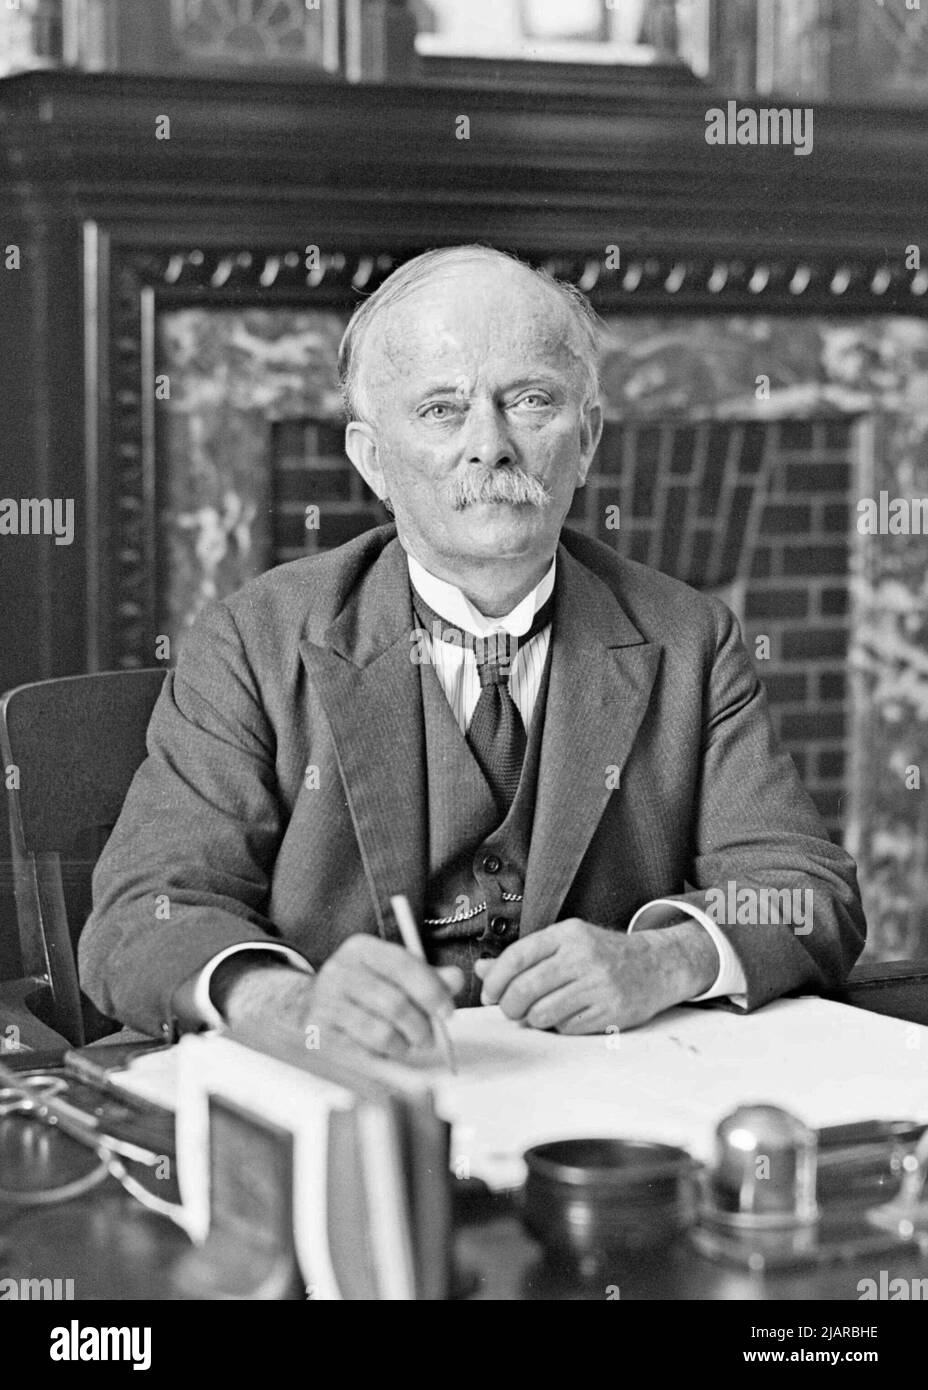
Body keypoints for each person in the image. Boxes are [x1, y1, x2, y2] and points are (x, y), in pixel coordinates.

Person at [79, 245, 866, 1058]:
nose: (490, 445)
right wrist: (282, 999)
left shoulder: (692, 639)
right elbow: (143, 912)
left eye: (529, 400)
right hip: (353, 1108)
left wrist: (668, 958)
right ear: (371, 459)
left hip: (598, 1116)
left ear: (587, 439)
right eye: (441, 410)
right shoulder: (251, 642)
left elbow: (807, 896)